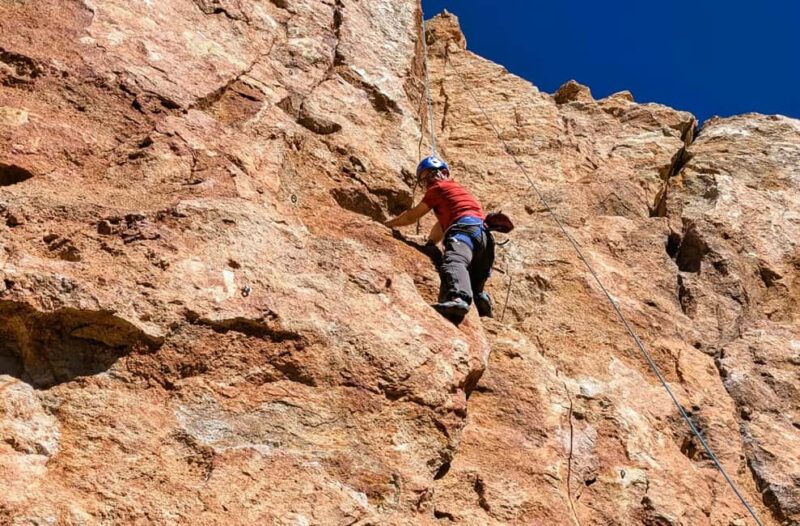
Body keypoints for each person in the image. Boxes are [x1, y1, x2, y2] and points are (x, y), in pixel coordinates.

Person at [384, 156, 494, 319]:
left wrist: (388, 224)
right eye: (423, 180)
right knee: (473, 278)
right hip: (484, 238)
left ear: (444, 173)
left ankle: (458, 299)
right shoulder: (459, 192)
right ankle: (480, 299)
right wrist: (430, 243)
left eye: (429, 175)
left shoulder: (437, 189)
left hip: (464, 232)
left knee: (455, 261)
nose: (428, 182)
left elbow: (411, 217)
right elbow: (442, 226)